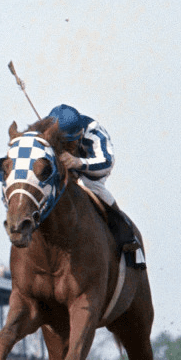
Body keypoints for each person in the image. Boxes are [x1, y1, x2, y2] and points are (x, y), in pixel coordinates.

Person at [47, 104, 141, 254]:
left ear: (79, 134)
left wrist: (78, 162)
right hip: (64, 167)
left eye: (68, 143)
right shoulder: (48, 130)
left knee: (89, 184)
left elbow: (107, 163)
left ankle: (124, 232)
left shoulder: (95, 134)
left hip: (91, 171)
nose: (64, 146)